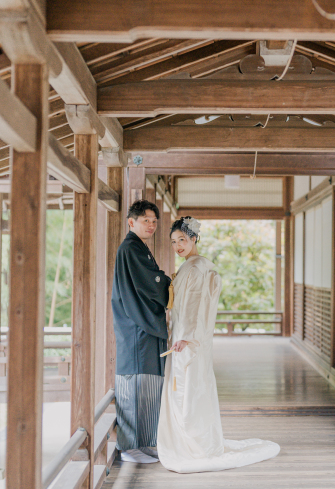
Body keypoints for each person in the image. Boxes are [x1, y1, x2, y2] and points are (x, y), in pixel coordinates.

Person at [157, 216, 280, 472]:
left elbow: (194, 306)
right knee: (194, 387)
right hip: (190, 337)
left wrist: (185, 337)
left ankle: (192, 444)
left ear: (194, 239)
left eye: (182, 240)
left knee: (187, 389)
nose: (178, 246)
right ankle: (196, 440)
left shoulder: (195, 268)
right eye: (174, 242)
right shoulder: (196, 266)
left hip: (187, 340)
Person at [111, 200, 171, 464]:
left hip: (143, 324)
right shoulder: (130, 248)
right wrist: (168, 282)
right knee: (134, 384)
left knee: (147, 385)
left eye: (154, 221)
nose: (151, 225)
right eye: (146, 220)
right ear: (131, 222)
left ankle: (145, 442)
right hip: (135, 325)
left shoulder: (139, 247)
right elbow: (151, 282)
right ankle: (129, 447)